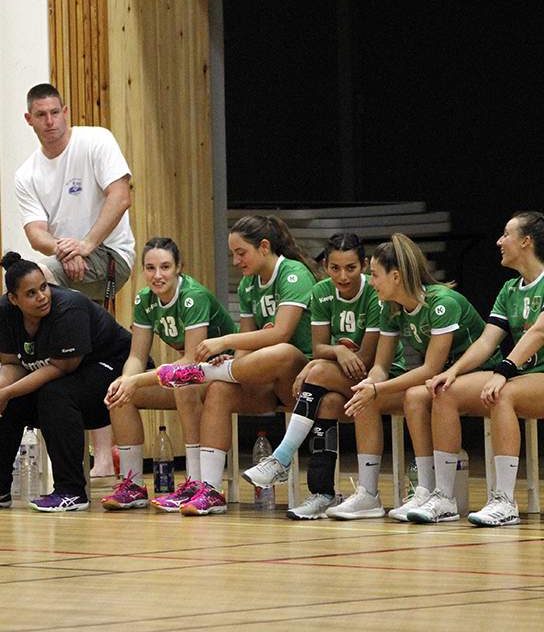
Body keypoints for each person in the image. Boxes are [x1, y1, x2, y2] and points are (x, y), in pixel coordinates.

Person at [418, 212, 544, 526]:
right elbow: (486, 341)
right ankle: (444, 498)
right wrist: (453, 371)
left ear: (525, 241)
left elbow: (540, 332)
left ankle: (505, 501)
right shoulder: (509, 289)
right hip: (524, 375)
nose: (499, 241)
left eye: (506, 235)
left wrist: (504, 370)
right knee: (445, 393)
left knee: (503, 395)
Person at [327, 233, 496, 521]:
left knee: (416, 395)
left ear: (396, 276)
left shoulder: (442, 303)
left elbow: (431, 369)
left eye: (375, 275)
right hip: (442, 380)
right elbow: (381, 365)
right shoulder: (391, 307)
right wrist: (371, 383)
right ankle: (370, 494)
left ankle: (438, 494)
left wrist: (378, 388)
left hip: (480, 374)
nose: (371, 282)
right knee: (365, 398)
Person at [157, 215, 319, 516]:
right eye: (233, 253)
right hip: (268, 381)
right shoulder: (248, 285)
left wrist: (222, 342)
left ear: (264, 247)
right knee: (220, 389)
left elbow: (281, 332)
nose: (235, 260)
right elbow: (246, 343)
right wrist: (235, 361)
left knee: (282, 350)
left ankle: (202, 372)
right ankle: (209, 490)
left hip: (303, 379)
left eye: (240, 252)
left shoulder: (292, 273)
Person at [14, 82, 136, 475]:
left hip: (110, 254)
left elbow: (120, 196)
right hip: (68, 260)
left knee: (36, 283)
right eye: (42, 116)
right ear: (29, 120)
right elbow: (36, 234)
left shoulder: (95, 141)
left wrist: (86, 244)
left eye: (56, 113)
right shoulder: (27, 173)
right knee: (83, 353)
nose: (50, 122)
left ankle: (29, 362)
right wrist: (66, 251)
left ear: (66, 111)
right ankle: (100, 458)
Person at [243, 233, 400, 519]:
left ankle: (281, 458)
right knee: (325, 402)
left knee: (316, 370)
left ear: (364, 266)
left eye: (351, 268)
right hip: (340, 376)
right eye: (335, 268)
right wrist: (338, 353)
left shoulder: (376, 295)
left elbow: (365, 359)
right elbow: (319, 348)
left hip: (383, 377)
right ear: (326, 266)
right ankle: (322, 494)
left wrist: (327, 357)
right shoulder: (322, 292)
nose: (343, 276)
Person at [0, 252, 132, 512]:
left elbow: (62, 367)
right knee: (1, 402)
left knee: (55, 394)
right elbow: (11, 364)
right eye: (31, 293)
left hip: (115, 368)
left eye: (44, 287)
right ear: (13, 299)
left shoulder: (69, 307)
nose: (42, 296)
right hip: (71, 376)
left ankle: (72, 491)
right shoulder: (5, 311)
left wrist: (8, 391)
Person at [100, 237, 238, 511]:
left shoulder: (193, 297)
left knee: (182, 384)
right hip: (194, 374)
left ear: (179, 268)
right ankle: (133, 485)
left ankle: (195, 483)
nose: (157, 275)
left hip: (226, 370)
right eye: (150, 268)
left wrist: (135, 380)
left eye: (165, 267)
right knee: (119, 390)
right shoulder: (145, 300)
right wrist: (127, 381)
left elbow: (188, 362)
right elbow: (137, 356)